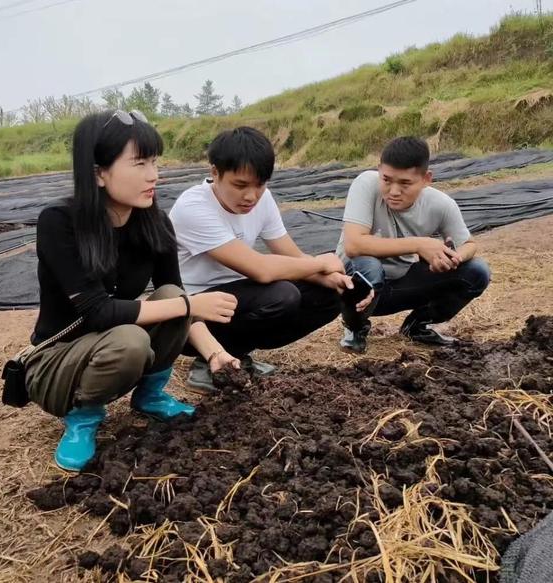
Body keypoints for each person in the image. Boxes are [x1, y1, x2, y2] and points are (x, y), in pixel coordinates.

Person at [24, 110, 239, 472]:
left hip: (112, 343)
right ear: (99, 173)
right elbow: (97, 312)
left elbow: (178, 301)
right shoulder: (59, 223)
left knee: (170, 296)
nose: (153, 175)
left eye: (154, 161)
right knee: (131, 339)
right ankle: (83, 417)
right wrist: (190, 305)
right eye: (139, 163)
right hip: (56, 361)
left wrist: (215, 353)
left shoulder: (154, 222)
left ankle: (150, 396)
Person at [169, 126, 372, 392]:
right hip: (192, 316)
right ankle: (207, 361)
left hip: (239, 301)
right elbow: (261, 269)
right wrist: (321, 262)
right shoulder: (193, 208)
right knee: (281, 295)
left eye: (260, 185)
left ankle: (238, 354)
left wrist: (335, 280)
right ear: (215, 173)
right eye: (240, 185)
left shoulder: (262, 200)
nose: (251, 196)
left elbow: (292, 256)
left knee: (328, 294)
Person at [336, 136, 491, 353]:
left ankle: (417, 326)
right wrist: (419, 245)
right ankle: (355, 327)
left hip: (401, 284)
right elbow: (354, 245)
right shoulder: (366, 184)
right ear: (379, 170)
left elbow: (468, 244)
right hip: (356, 288)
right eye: (387, 179)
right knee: (368, 266)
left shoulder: (441, 204)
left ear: (427, 178)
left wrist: (452, 258)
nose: (394, 191)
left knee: (477, 271)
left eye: (405, 183)